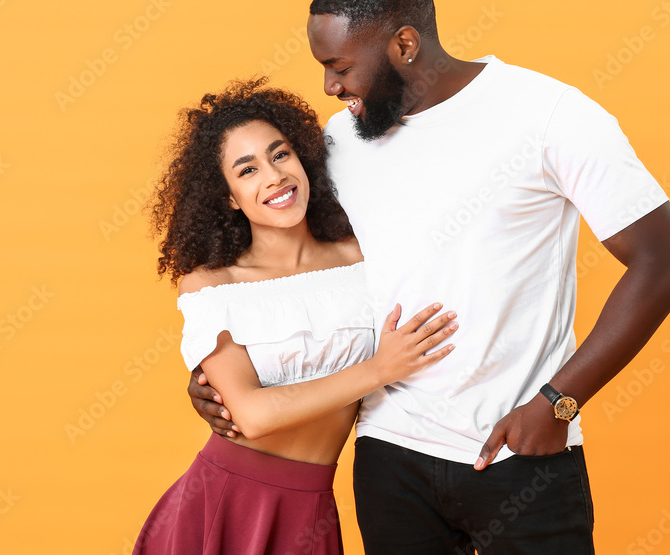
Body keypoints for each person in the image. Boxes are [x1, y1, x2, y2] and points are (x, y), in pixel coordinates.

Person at [190, 0, 670, 554]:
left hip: (519, 450)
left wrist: (559, 402)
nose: (330, 87)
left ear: (404, 44)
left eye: (340, 67)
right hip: (388, 459)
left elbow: (666, 260)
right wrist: (219, 377)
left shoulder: (549, 115)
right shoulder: (338, 143)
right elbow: (286, 268)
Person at [135, 77, 459, 554]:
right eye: (246, 170)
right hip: (222, 505)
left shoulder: (364, 258)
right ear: (226, 195)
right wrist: (378, 370)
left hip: (312, 509)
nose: (273, 176)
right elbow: (252, 414)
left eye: (279, 154)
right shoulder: (212, 286)